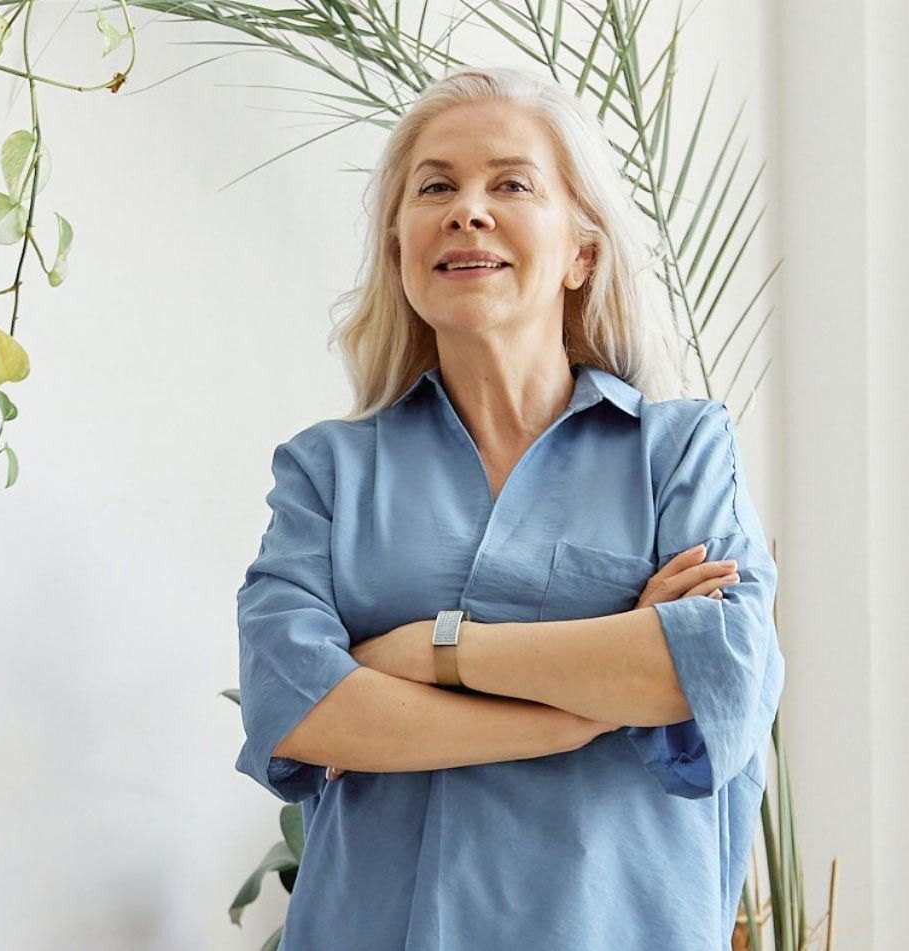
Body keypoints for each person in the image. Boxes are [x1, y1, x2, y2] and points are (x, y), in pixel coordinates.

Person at [235, 66, 785, 951]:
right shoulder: (326, 472)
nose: (467, 210)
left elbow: (707, 674)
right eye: (435, 187)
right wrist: (580, 713)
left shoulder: (679, 452)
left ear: (581, 253)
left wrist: (430, 652)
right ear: (398, 248)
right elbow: (299, 707)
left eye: (511, 184)